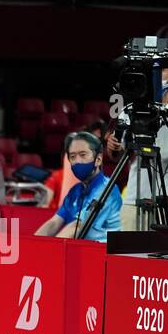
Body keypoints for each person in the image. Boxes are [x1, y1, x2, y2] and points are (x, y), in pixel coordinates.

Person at [106, 68, 168, 232]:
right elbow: (116, 154)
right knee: (127, 256)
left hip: (165, 202)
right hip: (135, 199)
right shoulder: (133, 109)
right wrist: (114, 146)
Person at [34, 131, 121, 241]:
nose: (77, 161)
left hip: (103, 254)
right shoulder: (75, 191)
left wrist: (49, 251)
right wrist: (33, 245)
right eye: (73, 156)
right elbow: (54, 223)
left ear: (98, 160)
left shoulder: (106, 189)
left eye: (83, 155)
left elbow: (77, 227)